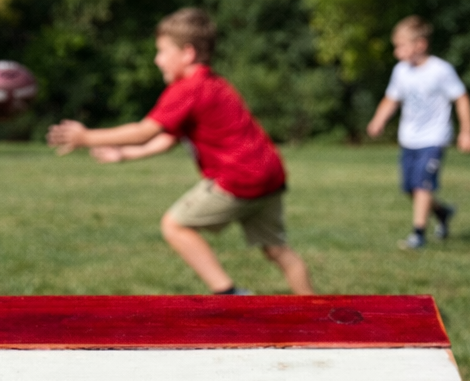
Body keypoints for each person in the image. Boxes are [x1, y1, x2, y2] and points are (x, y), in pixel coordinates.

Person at [46, 7, 313, 296]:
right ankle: (318, 311)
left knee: (175, 226)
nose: (156, 59)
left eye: (161, 51)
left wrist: (87, 137)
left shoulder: (188, 88)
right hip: (269, 175)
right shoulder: (214, 84)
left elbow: (144, 131)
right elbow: (167, 138)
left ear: (187, 53)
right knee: (278, 250)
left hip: (239, 179)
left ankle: (228, 293)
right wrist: (124, 155)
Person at [366, 15, 470, 250]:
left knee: (421, 185)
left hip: (434, 138)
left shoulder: (440, 70)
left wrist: (466, 132)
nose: (397, 52)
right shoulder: (401, 71)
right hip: (409, 138)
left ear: (420, 45)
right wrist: (378, 120)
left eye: (401, 46)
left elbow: (461, 98)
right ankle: (443, 212)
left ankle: (418, 234)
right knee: (410, 188)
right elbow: (391, 99)